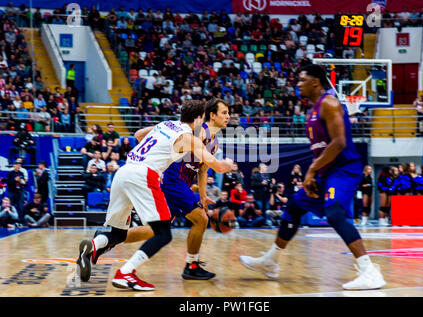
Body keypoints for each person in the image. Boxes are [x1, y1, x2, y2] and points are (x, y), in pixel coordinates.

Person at [239, 64, 386, 290]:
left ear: (315, 82)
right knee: (295, 206)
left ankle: (369, 271)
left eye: (302, 79)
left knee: (335, 212)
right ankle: (271, 261)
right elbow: (322, 149)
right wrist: (315, 174)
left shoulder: (329, 102)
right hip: (326, 173)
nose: (297, 84)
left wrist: (311, 170)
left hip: (344, 169)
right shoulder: (313, 111)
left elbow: (339, 143)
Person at [76, 100, 233, 291]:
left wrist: (158, 150)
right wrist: (227, 165)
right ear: (203, 117)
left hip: (125, 172)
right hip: (154, 177)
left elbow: (138, 135)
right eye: (224, 112)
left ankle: (96, 244)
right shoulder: (193, 136)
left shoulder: (165, 124)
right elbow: (214, 164)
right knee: (166, 232)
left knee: (133, 231)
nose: (228, 116)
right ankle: (127, 272)